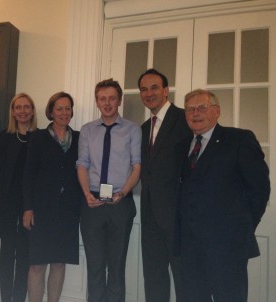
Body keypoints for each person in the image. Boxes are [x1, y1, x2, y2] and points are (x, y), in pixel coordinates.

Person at [176, 89, 270, 302]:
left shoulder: (239, 139)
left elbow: (260, 188)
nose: (195, 113)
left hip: (228, 246)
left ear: (216, 111)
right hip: (190, 248)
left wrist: (242, 226)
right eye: (190, 109)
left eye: (202, 107)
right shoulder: (182, 146)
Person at [77, 78, 142, 301]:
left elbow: (137, 166)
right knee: (95, 267)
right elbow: (82, 164)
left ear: (119, 100)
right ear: (96, 101)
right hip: (92, 202)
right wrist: (86, 193)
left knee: (116, 268)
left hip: (120, 203)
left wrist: (122, 193)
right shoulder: (87, 130)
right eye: (102, 99)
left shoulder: (133, 130)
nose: (107, 103)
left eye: (112, 98)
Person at [23, 92, 82, 302]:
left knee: (59, 262)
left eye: (68, 108)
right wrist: (28, 208)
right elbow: (28, 174)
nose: (64, 113)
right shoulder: (38, 137)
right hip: (41, 210)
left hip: (67, 211)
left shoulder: (79, 139)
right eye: (60, 108)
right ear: (51, 111)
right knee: (37, 264)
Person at [138, 68, 191, 302]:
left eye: (154, 87)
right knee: (153, 276)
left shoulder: (186, 119)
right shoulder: (142, 129)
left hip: (179, 216)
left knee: (184, 278)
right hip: (150, 215)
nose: (149, 93)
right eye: (144, 89)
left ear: (166, 91)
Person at [0, 93, 37, 302]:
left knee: (25, 254)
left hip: (29, 205)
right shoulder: (3, 137)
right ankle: (6, 298)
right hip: (6, 202)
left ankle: (19, 298)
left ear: (32, 111)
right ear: (13, 112)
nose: (23, 111)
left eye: (27, 107)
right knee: (6, 253)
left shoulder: (40, 138)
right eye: (18, 107)